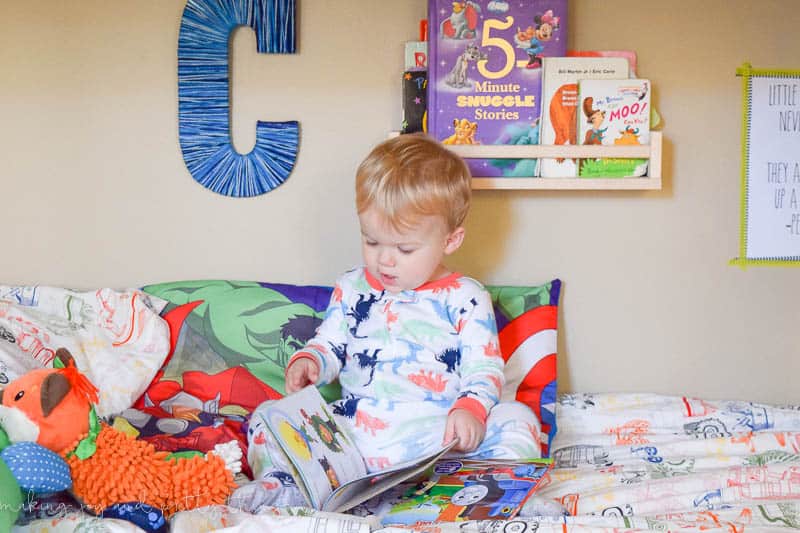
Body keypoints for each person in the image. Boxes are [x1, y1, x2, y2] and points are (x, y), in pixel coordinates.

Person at [232, 134, 541, 512]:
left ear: (451, 239)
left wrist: (471, 409)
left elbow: (484, 368)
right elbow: (330, 343)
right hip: (354, 439)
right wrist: (312, 360)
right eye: (372, 241)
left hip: (438, 442)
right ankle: (285, 487)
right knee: (268, 418)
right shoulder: (351, 286)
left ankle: (508, 496)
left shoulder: (465, 296)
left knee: (517, 418)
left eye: (404, 249)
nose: (385, 261)